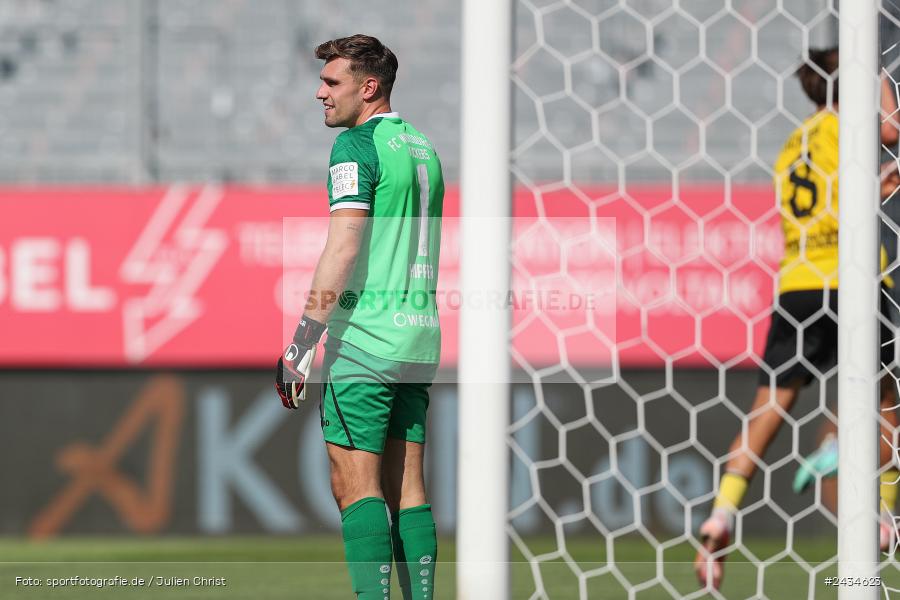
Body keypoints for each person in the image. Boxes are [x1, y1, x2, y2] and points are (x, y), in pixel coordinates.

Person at [694, 47, 900, 591]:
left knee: (768, 406)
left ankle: (722, 512)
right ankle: (880, 513)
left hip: (797, 285)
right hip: (850, 281)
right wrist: (878, 85)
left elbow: (832, 199)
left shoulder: (793, 143)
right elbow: (894, 128)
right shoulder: (849, 126)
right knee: (890, 403)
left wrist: (876, 188)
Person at [275, 34, 444, 600]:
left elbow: (344, 249)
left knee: (357, 489)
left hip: (365, 339)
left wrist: (300, 344)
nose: (318, 93)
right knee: (410, 489)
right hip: (418, 342)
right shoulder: (422, 147)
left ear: (368, 88)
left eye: (331, 82)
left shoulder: (357, 146)